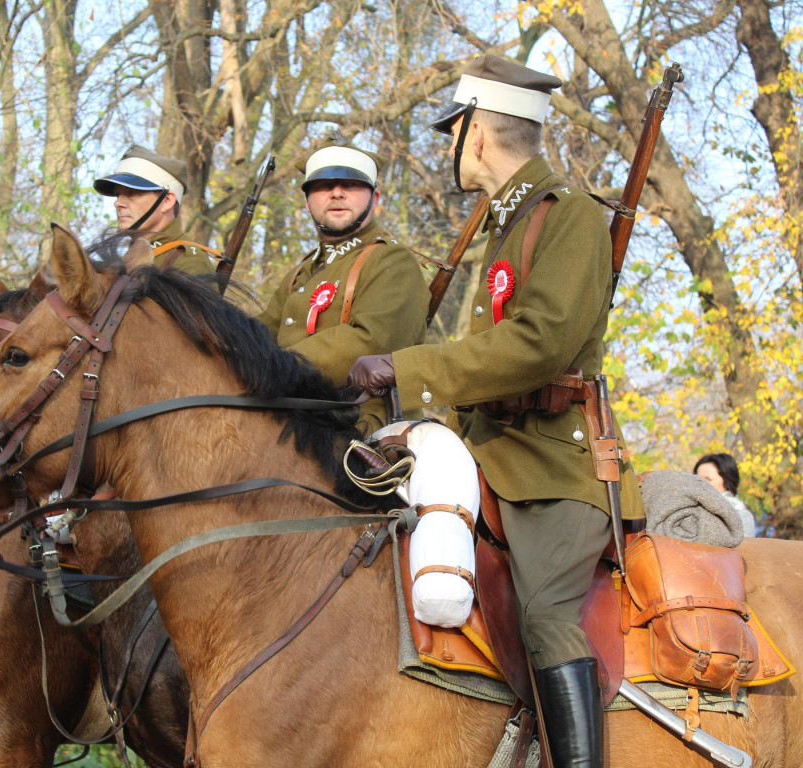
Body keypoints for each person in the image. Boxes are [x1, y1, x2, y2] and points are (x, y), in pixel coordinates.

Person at [348, 55, 644, 768]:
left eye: (453, 128)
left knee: (545, 616)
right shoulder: (502, 226)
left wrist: (408, 368)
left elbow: (539, 345)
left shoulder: (568, 215)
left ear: (476, 133)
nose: (448, 143)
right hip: (489, 459)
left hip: (553, 470)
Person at [256, 137, 428, 436]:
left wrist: (276, 366)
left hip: (360, 426)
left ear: (375, 199)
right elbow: (261, 334)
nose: (336, 193)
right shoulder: (302, 271)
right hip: (294, 416)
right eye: (323, 186)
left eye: (350, 185)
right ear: (307, 202)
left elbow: (370, 342)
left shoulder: (391, 260)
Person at [94, 145, 216, 276]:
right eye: (118, 194)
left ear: (167, 201)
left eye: (132, 193)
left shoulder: (188, 262)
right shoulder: (128, 258)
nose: (118, 203)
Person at [694, 453, 755, 538]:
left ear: (727, 482)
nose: (700, 483)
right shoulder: (685, 508)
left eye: (708, 479)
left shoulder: (741, 516)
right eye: (696, 478)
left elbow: (744, 549)